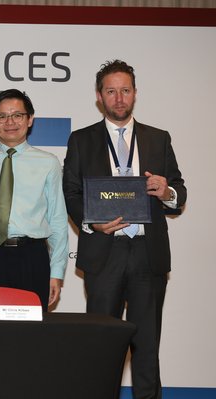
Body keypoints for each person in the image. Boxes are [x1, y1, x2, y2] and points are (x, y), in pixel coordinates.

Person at [63, 60, 186, 399]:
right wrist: (91, 221)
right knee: (100, 348)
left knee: (147, 347)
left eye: (125, 91)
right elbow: (71, 193)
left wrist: (167, 192)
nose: (119, 98)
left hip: (148, 256)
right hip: (105, 254)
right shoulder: (81, 139)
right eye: (111, 91)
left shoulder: (158, 139)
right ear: (99, 96)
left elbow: (179, 190)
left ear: (135, 94)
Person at [0, 89, 68, 311]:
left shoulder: (48, 163)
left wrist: (56, 272)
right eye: (2, 116)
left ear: (30, 119)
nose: (9, 122)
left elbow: (58, 220)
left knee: (31, 336)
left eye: (17, 115)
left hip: (32, 257)